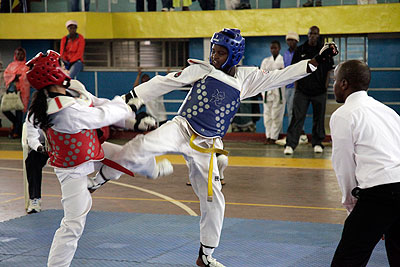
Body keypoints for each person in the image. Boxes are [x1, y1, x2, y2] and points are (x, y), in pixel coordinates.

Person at [88, 28, 338, 267]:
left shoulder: (247, 78)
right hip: (181, 128)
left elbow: (280, 77)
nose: (214, 56)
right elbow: (163, 82)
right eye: (213, 51)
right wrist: (128, 102)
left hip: (206, 146)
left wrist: (314, 63)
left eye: (220, 52)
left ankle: (206, 254)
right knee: (141, 146)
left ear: (235, 55)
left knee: (213, 199)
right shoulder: (202, 69)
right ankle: (101, 178)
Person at [25, 50, 160, 267]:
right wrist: (128, 104)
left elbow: (100, 104)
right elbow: (101, 116)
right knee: (73, 225)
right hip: (72, 170)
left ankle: (97, 181)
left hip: (93, 149)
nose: (64, 68)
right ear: (52, 74)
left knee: (137, 156)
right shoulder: (59, 111)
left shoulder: (75, 89)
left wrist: (133, 122)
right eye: (60, 65)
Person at [330, 60, 400, 266]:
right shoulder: (389, 112)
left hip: (379, 193)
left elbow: (343, 165)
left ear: (344, 84)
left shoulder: (343, 114)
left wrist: (350, 203)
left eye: (334, 81)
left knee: (349, 258)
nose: (333, 86)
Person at [284, 26, 334, 155]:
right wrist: (296, 88)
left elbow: (329, 70)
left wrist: (325, 86)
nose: (313, 36)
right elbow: (295, 69)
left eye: (315, 34)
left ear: (318, 35)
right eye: (311, 33)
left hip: (319, 91)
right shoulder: (300, 50)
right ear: (308, 35)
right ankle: (290, 144)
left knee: (319, 117)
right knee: (297, 117)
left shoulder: (325, 51)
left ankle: (317, 143)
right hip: (302, 91)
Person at [276, 32, 308, 146]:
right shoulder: (285, 54)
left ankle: (300, 135)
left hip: (298, 86)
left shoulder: (300, 52)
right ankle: (294, 135)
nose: (290, 42)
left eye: (292, 40)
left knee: (298, 111)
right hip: (288, 86)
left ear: (297, 41)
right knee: (290, 111)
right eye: (288, 40)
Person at [260, 40, 285, 145]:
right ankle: (268, 136)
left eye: (275, 48)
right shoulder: (265, 61)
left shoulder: (283, 60)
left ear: (279, 49)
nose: (273, 50)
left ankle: (274, 137)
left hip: (278, 92)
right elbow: (261, 74)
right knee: (267, 116)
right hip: (267, 91)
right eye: (272, 48)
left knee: (276, 115)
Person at [3, 47, 30, 138]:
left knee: (19, 111)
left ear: (24, 55)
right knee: (5, 110)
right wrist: (14, 76)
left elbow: (26, 77)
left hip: (22, 92)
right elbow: (6, 75)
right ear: (15, 55)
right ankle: (16, 125)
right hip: (11, 91)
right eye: (18, 54)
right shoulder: (11, 65)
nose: (20, 56)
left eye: (22, 54)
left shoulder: (26, 66)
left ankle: (16, 132)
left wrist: (19, 77)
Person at [25, 117, 48, 214]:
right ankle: (35, 199)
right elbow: (31, 137)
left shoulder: (63, 107)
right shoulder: (33, 114)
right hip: (42, 147)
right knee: (32, 160)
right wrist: (39, 148)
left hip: (63, 144)